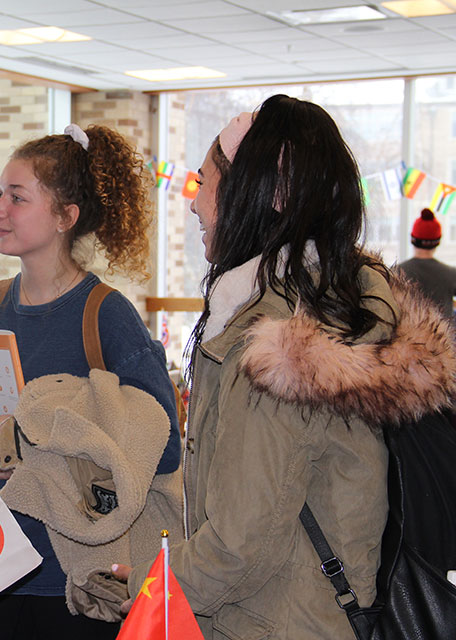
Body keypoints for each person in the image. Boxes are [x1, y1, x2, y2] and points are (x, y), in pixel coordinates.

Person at [105, 96, 456, 638]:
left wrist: (149, 588)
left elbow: (244, 541)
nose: (193, 204)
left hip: (273, 621)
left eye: (205, 183)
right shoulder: (339, 307)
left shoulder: (280, 344)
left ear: (262, 196)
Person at [0, 124, 181, 640]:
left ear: (66, 216)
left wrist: (58, 440)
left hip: (75, 574)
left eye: (17, 197)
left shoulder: (108, 316)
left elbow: (165, 449)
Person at [396, 207, 456, 318]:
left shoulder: (395, 272)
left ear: (413, 239)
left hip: (405, 335)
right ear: (437, 241)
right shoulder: (452, 275)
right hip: (443, 334)